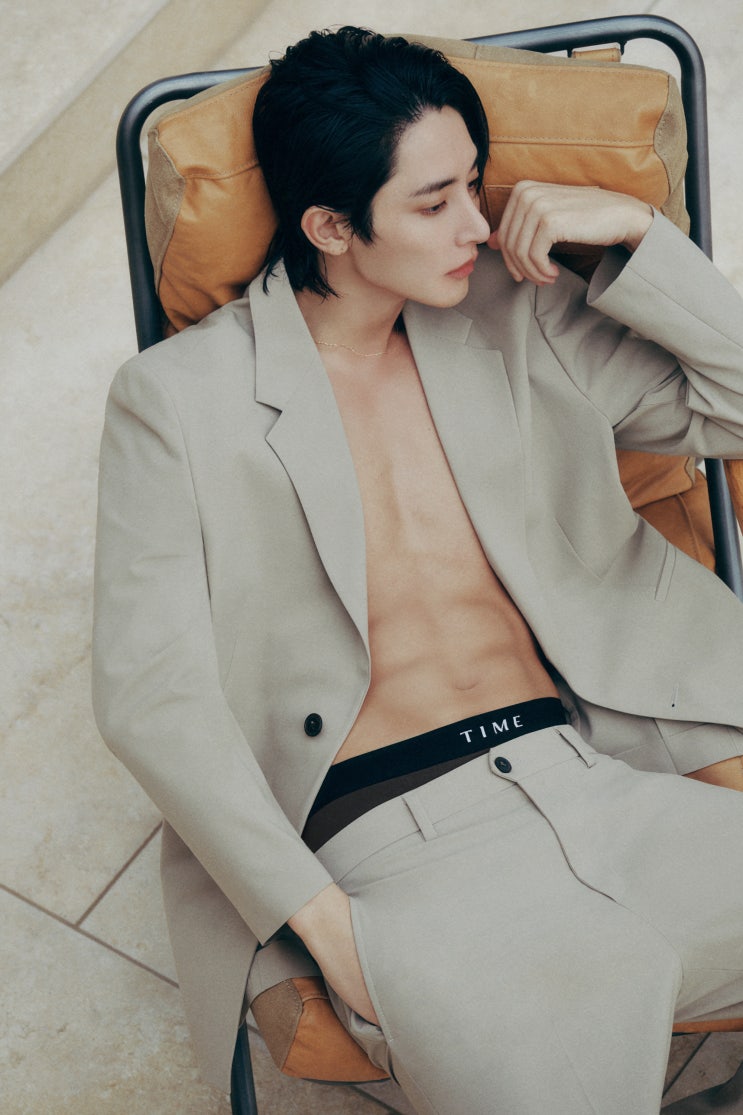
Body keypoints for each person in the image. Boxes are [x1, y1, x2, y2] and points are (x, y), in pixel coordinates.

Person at [93, 26, 743, 1115]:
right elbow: (148, 695)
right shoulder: (176, 400)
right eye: (433, 202)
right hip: (396, 849)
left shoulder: (520, 309)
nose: (477, 226)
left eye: (473, 187)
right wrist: (330, 930)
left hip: (603, 778)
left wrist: (638, 235)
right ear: (330, 226)